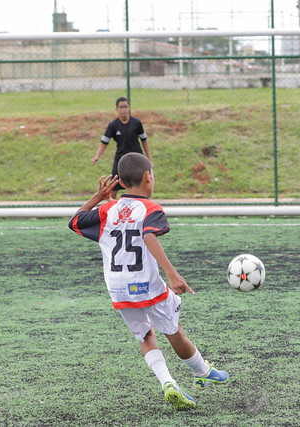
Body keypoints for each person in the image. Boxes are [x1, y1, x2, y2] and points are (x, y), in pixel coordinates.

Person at [69, 152, 228, 410]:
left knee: (145, 336)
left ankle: (168, 383)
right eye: (153, 175)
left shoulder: (106, 210)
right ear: (147, 177)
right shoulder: (151, 208)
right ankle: (201, 371)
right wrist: (172, 274)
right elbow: (149, 236)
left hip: (118, 288)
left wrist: (97, 198)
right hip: (146, 285)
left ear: (120, 182)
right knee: (173, 329)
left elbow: (74, 222)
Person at [91, 97, 152, 200]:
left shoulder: (136, 123)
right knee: (113, 186)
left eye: (125, 107)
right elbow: (104, 142)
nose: (123, 109)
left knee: (142, 185)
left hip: (137, 158)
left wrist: (149, 160)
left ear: (129, 108)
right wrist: (96, 156)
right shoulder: (113, 125)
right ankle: (113, 209)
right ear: (117, 109)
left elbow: (144, 140)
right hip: (121, 159)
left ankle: (142, 208)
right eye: (121, 107)